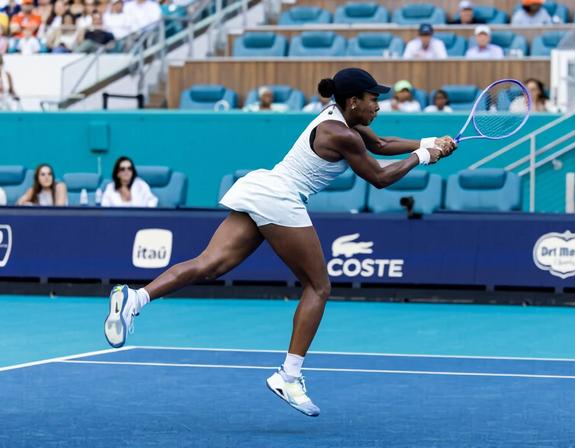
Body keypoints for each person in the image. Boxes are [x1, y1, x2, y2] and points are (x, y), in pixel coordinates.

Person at [102, 67, 456, 417]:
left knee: (209, 264)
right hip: (282, 198)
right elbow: (378, 176)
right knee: (318, 287)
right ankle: (288, 375)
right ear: (353, 102)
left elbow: (381, 143)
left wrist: (429, 142)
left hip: (263, 187)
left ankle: (135, 297)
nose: (378, 106)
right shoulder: (342, 134)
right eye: (373, 99)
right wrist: (424, 157)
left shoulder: (340, 119)